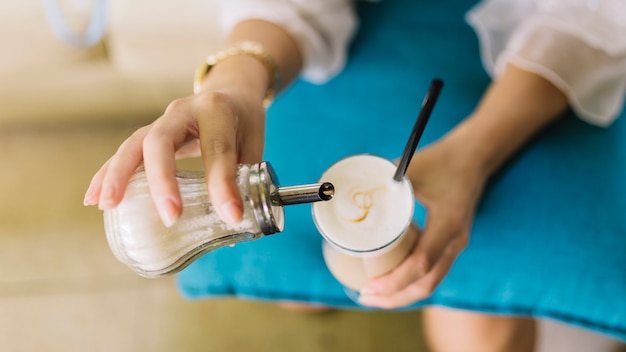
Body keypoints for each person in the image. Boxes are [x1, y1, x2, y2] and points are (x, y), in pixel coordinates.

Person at [83, 0, 626, 351]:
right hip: (355, 28)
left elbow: (596, 15)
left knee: (480, 332)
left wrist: (474, 153)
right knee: (299, 287)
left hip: (552, 35)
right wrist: (234, 83)